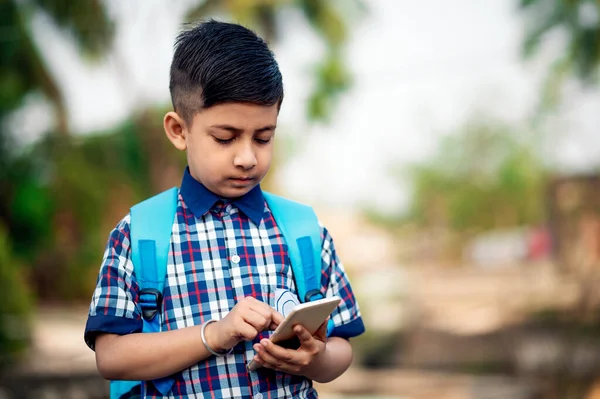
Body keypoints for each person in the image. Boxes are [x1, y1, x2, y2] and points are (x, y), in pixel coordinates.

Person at [84, 20, 365, 398]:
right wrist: (215, 334)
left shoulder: (304, 231)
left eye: (263, 137)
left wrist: (314, 360)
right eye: (225, 138)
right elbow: (111, 358)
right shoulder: (139, 235)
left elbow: (341, 346)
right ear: (178, 130)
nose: (247, 157)